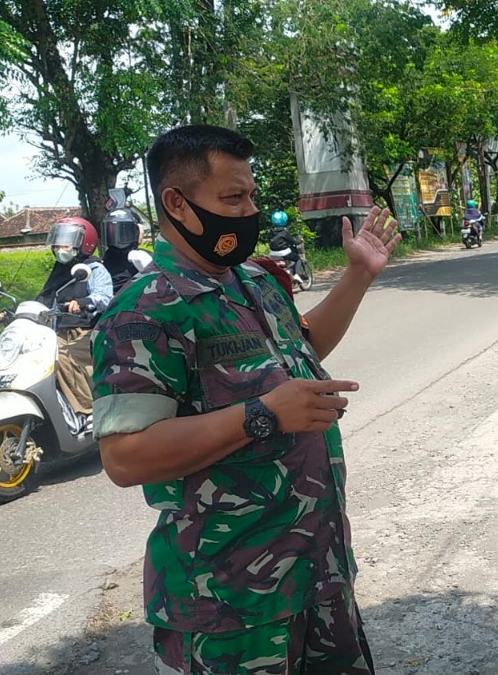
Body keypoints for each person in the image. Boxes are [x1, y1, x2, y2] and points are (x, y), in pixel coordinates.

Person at [91, 124, 400, 674]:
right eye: (233, 198)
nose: (249, 210)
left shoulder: (253, 282)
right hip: (227, 611)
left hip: (318, 580)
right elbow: (125, 456)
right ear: (176, 204)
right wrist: (262, 415)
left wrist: (356, 276)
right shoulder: (146, 310)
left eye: (251, 195)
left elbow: (301, 349)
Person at [36, 216, 112, 421]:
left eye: (65, 243)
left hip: (87, 330)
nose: (60, 248)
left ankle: (90, 411)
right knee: (40, 355)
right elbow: (46, 300)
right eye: (58, 243)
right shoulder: (58, 272)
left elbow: (104, 297)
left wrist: (84, 301)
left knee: (62, 356)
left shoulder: (94, 268)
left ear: (83, 243)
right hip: (59, 329)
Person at [100, 208, 154, 292]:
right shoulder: (106, 259)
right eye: (112, 231)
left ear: (137, 231)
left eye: (124, 232)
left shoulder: (140, 257)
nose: (118, 238)